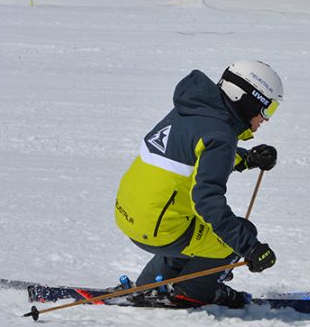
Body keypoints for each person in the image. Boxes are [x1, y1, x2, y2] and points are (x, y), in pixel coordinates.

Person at [113, 60, 282, 308]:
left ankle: (150, 285)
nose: (266, 119)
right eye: (268, 109)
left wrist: (247, 159)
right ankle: (191, 292)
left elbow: (196, 154)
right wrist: (250, 248)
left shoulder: (192, 110)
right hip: (160, 230)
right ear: (246, 99)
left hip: (130, 215)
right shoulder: (221, 133)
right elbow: (208, 203)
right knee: (239, 231)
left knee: (191, 225)